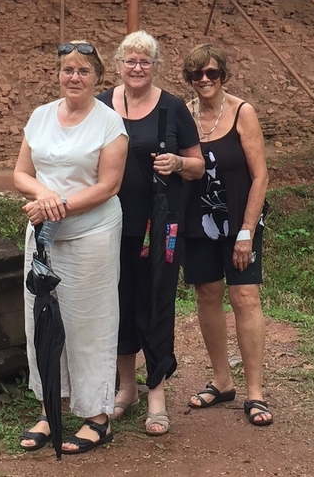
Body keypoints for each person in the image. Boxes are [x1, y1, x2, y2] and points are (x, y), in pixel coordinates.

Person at [14, 40, 129, 455]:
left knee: (88, 324)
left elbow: (108, 185)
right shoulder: (41, 116)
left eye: (83, 70)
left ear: (98, 77)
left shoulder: (109, 123)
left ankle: (97, 415)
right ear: (58, 75)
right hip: (43, 235)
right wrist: (44, 197)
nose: (74, 77)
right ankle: (51, 407)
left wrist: (55, 205)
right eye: (67, 70)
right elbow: (22, 172)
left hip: (90, 234)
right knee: (39, 320)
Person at [97, 30, 204, 436]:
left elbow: (199, 166)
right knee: (118, 300)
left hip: (159, 224)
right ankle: (127, 388)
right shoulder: (103, 104)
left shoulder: (174, 108)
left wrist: (177, 163)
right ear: (119, 65)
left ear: (155, 66)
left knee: (156, 299)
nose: (137, 68)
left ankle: (155, 391)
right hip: (109, 221)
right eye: (130, 60)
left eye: (145, 61)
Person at [182, 43, 272, 427]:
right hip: (199, 220)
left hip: (240, 219)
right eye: (197, 74)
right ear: (189, 79)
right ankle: (222, 381)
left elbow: (261, 175)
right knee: (207, 294)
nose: (205, 80)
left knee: (244, 295)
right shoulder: (183, 115)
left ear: (223, 76)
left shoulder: (242, 112)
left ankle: (255, 392)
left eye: (212, 73)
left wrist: (246, 231)